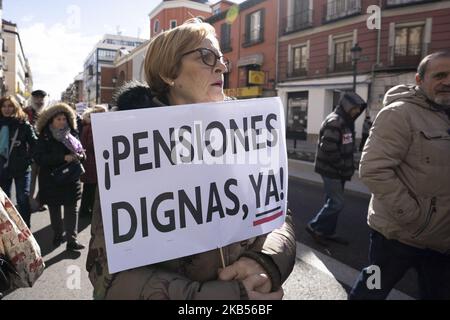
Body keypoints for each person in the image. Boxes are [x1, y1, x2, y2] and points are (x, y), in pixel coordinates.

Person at [86, 19, 296, 300]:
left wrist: (266, 263)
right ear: (169, 73)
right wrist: (216, 298)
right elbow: (107, 274)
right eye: (206, 57)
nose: (221, 66)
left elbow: (278, 213)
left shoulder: (246, 134)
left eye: (221, 59)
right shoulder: (131, 150)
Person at [349, 51, 450, 300]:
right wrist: (415, 217)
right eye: (440, 75)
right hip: (397, 236)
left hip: (442, 240)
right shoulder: (399, 113)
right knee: (370, 291)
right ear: (419, 79)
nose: (448, 81)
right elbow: (373, 169)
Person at [306, 92, 367, 245]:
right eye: (354, 108)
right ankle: (314, 226)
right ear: (347, 106)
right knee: (336, 203)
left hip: (339, 170)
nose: (357, 112)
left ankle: (327, 232)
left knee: (331, 202)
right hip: (332, 170)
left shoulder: (346, 121)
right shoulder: (335, 121)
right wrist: (342, 167)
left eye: (358, 109)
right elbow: (329, 149)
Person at [33, 103, 86, 251]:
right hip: (51, 181)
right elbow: (39, 158)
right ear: (51, 121)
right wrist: (63, 157)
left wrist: (81, 156)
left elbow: (82, 153)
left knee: (72, 209)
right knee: (54, 210)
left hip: (71, 179)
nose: (62, 122)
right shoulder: (44, 137)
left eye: (64, 119)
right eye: (58, 119)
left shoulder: (72, 135)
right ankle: (57, 234)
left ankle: (72, 241)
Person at [0, 96, 38, 227]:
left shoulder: (23, 124)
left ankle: (26, 228)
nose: (7, 109)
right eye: (4, 106)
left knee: (22, 199)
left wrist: (28, 160)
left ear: (15, 107)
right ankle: (9, 230)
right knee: (5, 201)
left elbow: (35, 144)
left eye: (10, 106)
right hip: (2, 167)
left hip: (21, 168)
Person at [78, 105, 107, 218]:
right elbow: (92, 144)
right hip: (92, 161)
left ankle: (85, 209)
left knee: (89, 187)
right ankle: (86, 210)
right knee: (91, 188)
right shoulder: (93, 126)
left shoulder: (88, 125)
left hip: (89, 161)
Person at [24, 90, 48, 213]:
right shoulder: (26, 112)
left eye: (41, 99)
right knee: (31, 180)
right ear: (32, 99)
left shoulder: (47, 113)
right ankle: (28, 204)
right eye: (37, 98)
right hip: (31, 153)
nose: (39, 101)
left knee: (44, 180)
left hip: (45, 153)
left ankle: (39, 202)